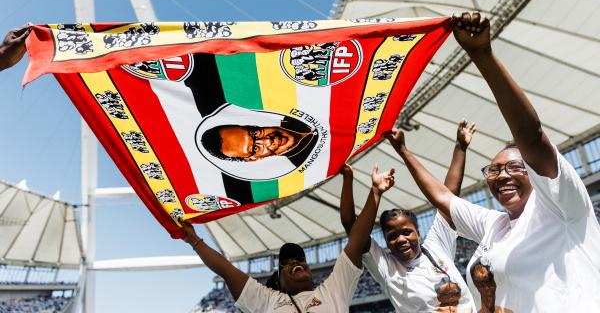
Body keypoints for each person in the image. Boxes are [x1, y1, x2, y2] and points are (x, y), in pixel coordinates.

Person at [388, 12, 600, 312]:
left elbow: (531, 134)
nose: (501, 176)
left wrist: (481, 55)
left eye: (514, 167)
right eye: (494, 170)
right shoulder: (495, 225)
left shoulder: (562, 205)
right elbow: (443, 198)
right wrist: (403, 151)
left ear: (534, 173)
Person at [180, 163, 395, 312]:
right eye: (287, 263)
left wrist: (373, 191)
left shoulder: (333, 290)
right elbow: (226, 271)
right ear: (279, 283)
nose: (296, 263)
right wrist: (194, 241)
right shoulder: (266, 300)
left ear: (312, 273)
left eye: (300, 260)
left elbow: (356, 238)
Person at [340, 120, 478, 312]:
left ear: (418, 232)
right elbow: (351, 226)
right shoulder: (386, 268)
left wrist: (460, 147)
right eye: (392, 236)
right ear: (386, 242)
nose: (401, 239)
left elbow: (448, 197)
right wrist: (368, 189)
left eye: (406, 232)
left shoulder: (437, 247)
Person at [200, 121, 317, 165]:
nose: (268, 141)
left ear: (253, 125)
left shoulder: (292, 107)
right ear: (253, 159)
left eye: (255, 133)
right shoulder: (304, 165)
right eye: (255, 149)